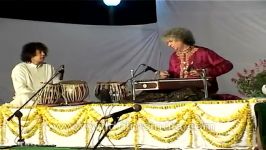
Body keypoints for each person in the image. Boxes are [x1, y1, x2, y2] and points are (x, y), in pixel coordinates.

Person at [160, 27, 233, 90]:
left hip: (202, 90)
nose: (169, 45)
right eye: (167, 43)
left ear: (181, 39)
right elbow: (173, 74)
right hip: (179, 91)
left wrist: (205, 72)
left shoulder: (203, 52)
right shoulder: (173, 56)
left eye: (170, 41)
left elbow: (227, 65)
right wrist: (167, 74)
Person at [10, 42, 60, 106]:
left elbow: (56, 85)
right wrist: (39, 98)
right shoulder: (20, 68)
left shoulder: (49, 67)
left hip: (48, 100)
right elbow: (21, 89)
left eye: (44, 52)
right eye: (40, 52)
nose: (43, 54)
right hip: (27, 102)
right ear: (30, 53)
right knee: (23, 97)